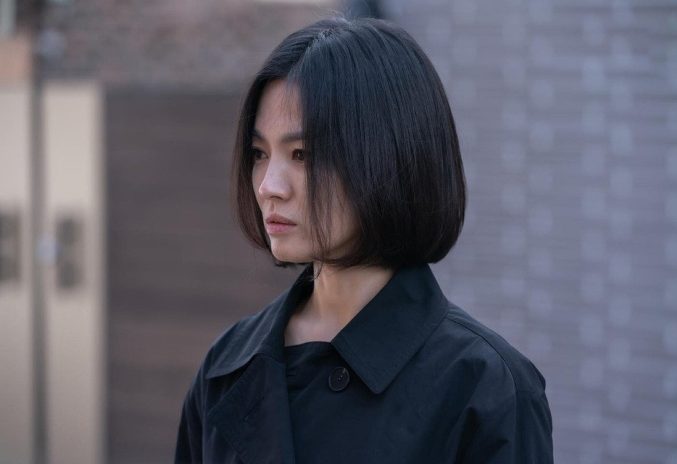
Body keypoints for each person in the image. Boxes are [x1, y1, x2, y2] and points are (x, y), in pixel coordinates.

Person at [175, 16, 553, 464]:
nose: (268, 186)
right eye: (260, 153)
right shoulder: (227, 367)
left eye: (303, 154)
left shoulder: (484, 387)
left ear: (389, 157)